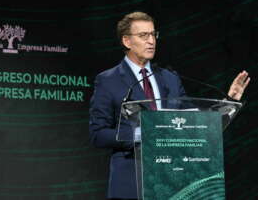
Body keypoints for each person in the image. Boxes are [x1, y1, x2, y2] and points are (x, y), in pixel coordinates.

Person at [89, 11, 250, 200]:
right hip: (133, 183)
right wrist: (144, 134)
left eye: (153, 34)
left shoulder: (170, 78)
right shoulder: (109, 80)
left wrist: (228, 102)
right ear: (127, 41)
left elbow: (194, 123)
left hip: (174, 184)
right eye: (143, 35)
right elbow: (98, 134)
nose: (151, 41)